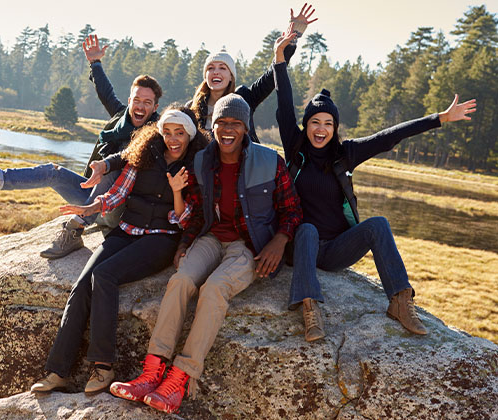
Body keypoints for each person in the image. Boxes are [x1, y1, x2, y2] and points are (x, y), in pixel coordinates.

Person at [272, 29, 477, 341]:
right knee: (308, 229)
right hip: (302, 246)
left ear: (335, 128)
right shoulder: (295, 146)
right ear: (307, 124)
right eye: (315, 122)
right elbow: (284, 102)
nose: (321, 129)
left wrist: (440, 118)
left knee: (378, 224)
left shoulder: (346, 154)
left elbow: (389, 136)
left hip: (337, 250)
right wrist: (278, 59)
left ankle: (399, 300)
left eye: (328, 123)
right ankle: (310, 307)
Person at [108, 94, 302, 413]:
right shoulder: (202, 162)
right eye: (221, 123)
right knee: (181, 279)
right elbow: (198, 213)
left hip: (249, 246)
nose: (228, 129)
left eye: (235, 124)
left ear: (246, 128)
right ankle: (151, 372)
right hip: (210, 237)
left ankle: (179, 379)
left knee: (213, 290)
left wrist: (279, 241)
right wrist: (185, 244)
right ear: (212, 127)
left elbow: (292, 210)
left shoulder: (270, 161)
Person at [29, 106, 209, 394]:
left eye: (179, 133)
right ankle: (57, 370)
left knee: (104, 275)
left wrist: (177, 190)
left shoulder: (197, 166)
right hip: (126, 230)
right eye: (167, 132)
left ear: (189, 134)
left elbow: (187, 219)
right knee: (81, 285)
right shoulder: (144, 157)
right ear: (159, 133)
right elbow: (118, 193)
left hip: (161, 239)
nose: (173, 139)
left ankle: (103, 366)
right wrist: (91, 207)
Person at [0, 70, 163, 259]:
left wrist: (106, 165)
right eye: (136, 100)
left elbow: (128, 155)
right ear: (129, 101)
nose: (140, 106)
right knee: (53, 172)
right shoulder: (121, 117)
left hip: (115, 208)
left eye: (147, 102)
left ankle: (74, 230)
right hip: (90, 197)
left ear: (155, 108)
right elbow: (105, 92)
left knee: (112, 172)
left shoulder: (156, 135)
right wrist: (95, 63)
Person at [187, 3, 317, 142]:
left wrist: (292, 38)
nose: (216, 72)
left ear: (231, 76)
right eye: (210, 68)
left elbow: (272, 76)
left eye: (222, 68)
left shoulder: (244, 98)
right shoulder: (192, 108)